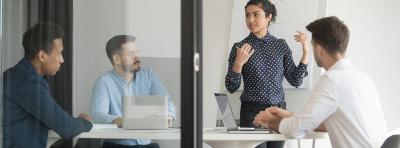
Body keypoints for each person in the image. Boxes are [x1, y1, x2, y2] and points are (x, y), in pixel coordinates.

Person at [253, 16, 388, 148]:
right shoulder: (363, 79)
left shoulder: (332, 80)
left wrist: (269, 121)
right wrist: (290, 115)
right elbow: (327, 122)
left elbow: (297, 129)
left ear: (318, 49)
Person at [225, 0, 309, 147]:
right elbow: (231, 86)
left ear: (268, 17)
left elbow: (296, 80)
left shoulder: (281, 45)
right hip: (251, 113)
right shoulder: (239, 47)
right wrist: (238, 64)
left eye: (256, 15)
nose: (250, 20)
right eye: (247, 15)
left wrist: (306, 52)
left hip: (279, 113)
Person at [1, 23, 93, 148]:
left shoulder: (15, 74)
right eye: (59, 53)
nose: (62, 60)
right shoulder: (29, 82)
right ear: (42, 56)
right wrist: (85, 122)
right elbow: (65, 126)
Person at [90, 35, 176, 148]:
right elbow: (98, 116)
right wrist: (122, 120)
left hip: (147, 145)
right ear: (117, 59)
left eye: (137, 52)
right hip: (117, 146)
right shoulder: (104, 82)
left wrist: (169, 116)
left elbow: (169, 103)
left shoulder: (149, 76)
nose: (137, 57)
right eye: (131, 54)